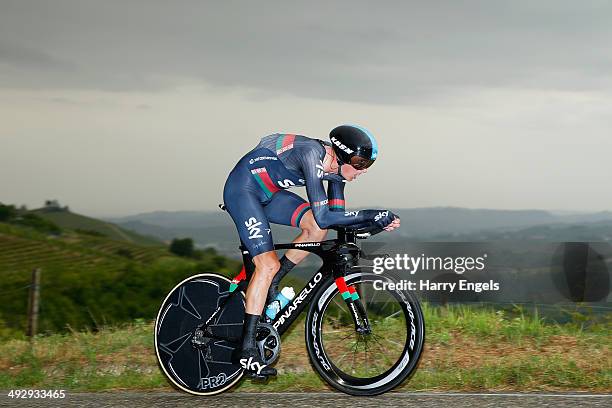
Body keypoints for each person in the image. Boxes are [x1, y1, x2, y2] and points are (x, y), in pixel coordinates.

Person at [223, 124, 400, 377]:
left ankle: (274, 281)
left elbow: (335, 219)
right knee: (267, 264)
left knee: (316, 230)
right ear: (341, 154)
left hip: (270, 193)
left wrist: (372, 225)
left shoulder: (336, 174)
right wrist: (372, 213)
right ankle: (246, 350)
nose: (363, 170)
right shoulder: (311, 154)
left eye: (367, 165)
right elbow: (324, 214)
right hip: (243, 189)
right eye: (360, 163)